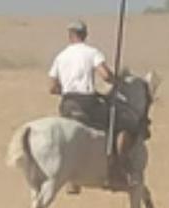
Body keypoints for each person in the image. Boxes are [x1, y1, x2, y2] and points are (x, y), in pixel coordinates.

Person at [48, 20, 128, 190]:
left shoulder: (61, 56)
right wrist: (117, 81)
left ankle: (71, 179)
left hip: (67, 104)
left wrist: (67, 89)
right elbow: (105, 75)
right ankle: (115, 171)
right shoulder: (92, 53)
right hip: (87, 104)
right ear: (85, 35)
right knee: (119, 126)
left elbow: (52, 87)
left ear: (70, 35)